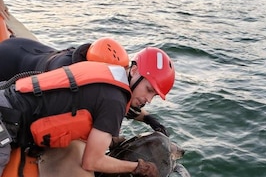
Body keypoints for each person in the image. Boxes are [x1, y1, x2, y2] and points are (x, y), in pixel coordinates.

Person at [0, 47, 175, 177]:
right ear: (135, 70)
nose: (149, 100)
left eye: (155, 96)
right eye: (149, 90)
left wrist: (148, 120)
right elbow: (91, 162)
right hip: (5, 122)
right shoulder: (114, 101)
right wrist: (140, 168)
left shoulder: (110, 72)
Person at [0, 36, 169, 135]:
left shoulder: (102, 67)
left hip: (22, 46)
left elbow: (122, 102)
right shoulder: (70, 79)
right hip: (7, 62)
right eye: (148, 90)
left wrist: (149, 119)